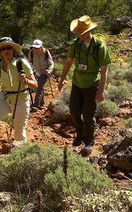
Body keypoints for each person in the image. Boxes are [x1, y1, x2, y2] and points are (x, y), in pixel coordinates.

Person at [57, 16, 111, 156]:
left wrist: (101, 91)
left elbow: (104, 70)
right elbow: (69, 62)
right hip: (77, 83)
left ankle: (89, 141)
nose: (81, 35)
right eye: (79, 32)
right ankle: (79, 134)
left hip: (92, 84)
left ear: (90, 30)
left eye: (83, 32)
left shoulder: (99, 46)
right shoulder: (76, 44)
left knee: (88, 115)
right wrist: (62, 79)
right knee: (74, 111)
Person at [28, 39, 54, 109]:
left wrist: (49, 70)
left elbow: (51, 63)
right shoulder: (31, 53)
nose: (35, 49)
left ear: (41, 46)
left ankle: (36, 104)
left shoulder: (46, 52)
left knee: (39, 86)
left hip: (45, 73)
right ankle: (42, 103)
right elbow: (29, 63)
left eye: (37, 48)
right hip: (36, 72)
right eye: (34, 47)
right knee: (39, 87)